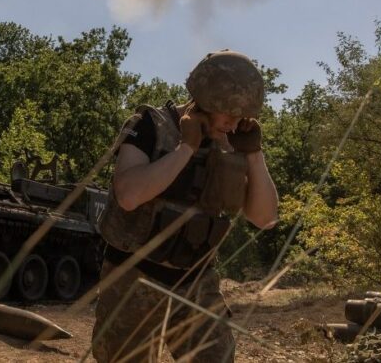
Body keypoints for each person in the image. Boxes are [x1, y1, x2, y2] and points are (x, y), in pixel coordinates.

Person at [92, 50, 279, 363]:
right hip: (134, 277)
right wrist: (186, 149)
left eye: (241, 116)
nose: (234, 123)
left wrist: (254, 156)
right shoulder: (151, 124)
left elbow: (265, 218)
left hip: (195, 283)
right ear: (205, 98)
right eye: (228, 112)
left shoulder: (231, 143)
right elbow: (128, 195)